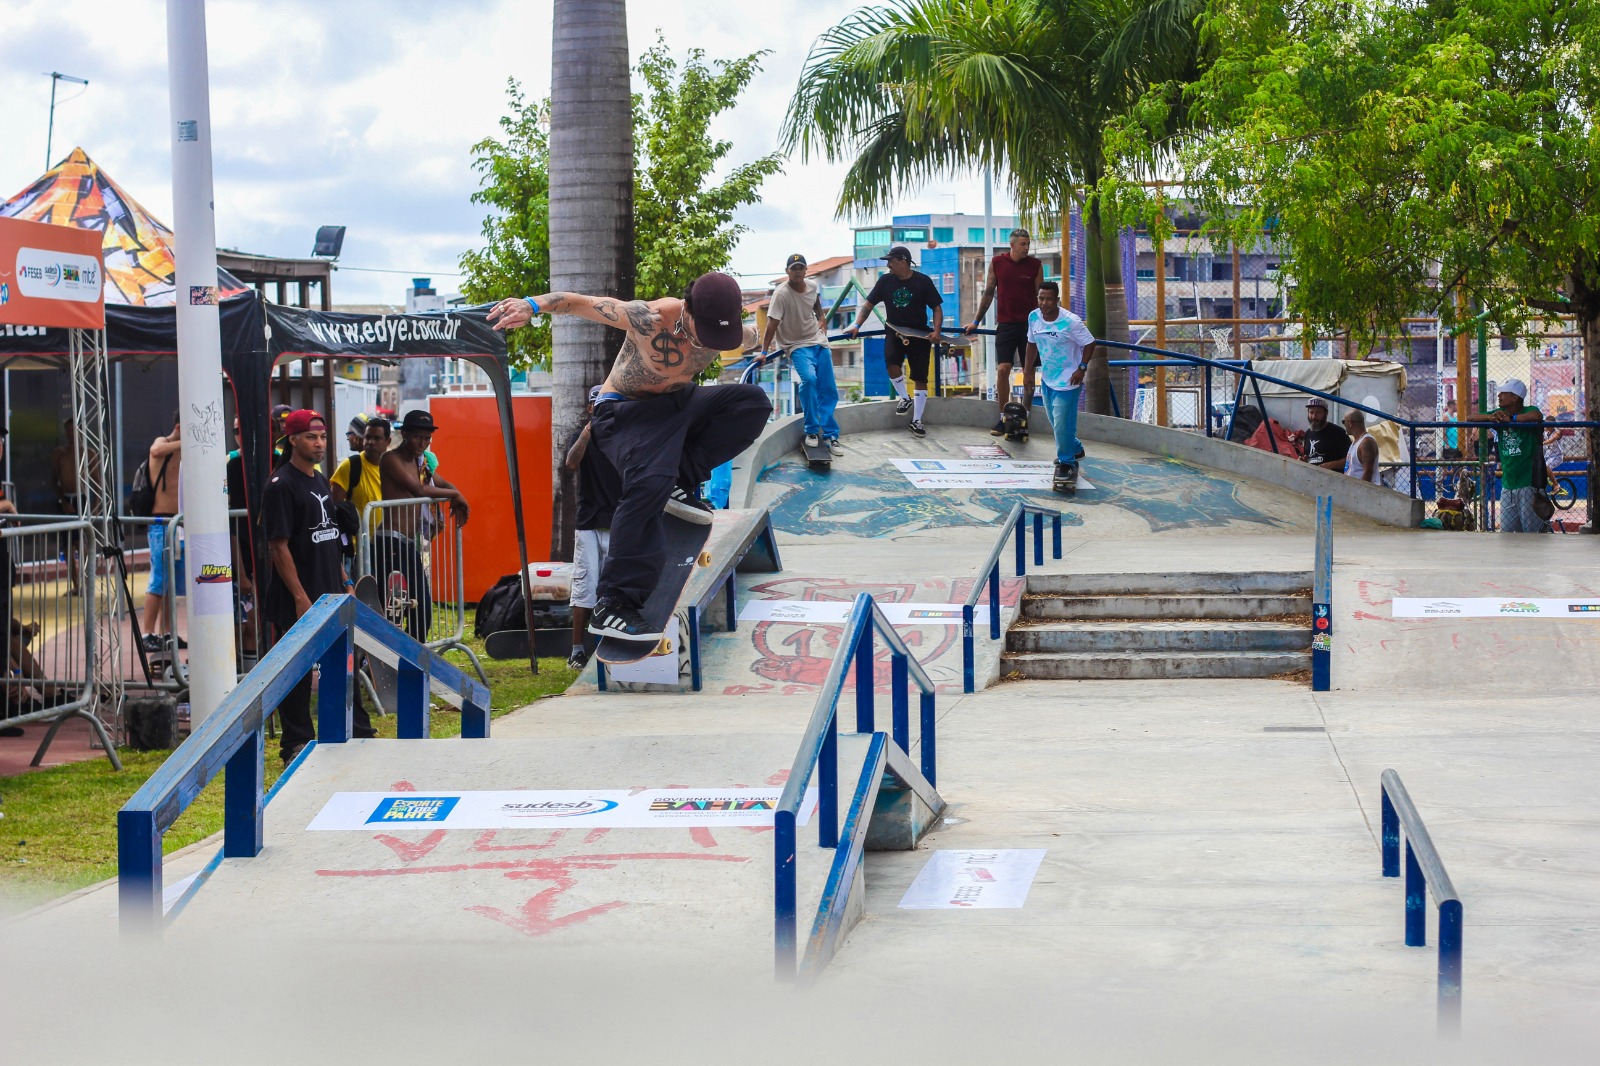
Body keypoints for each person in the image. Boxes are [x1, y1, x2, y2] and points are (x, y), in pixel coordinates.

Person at [486, 271, 771, 641]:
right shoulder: (649, 316)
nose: (710, 344)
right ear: (687, 311)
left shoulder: (734, 333)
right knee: (648, 483)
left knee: (751, 403)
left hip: (676, 405)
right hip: (623, 412)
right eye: (706, 333)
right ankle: (613, 603)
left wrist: (779, 337)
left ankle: (681, 478)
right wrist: (532, 305)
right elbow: (578, 303)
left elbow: (755, 337)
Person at [261, 410, 374, 763]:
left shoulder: (321, 480)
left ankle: (356, 728)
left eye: (323, 436)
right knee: (297, 670)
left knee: (344, 662)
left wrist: (346, 581)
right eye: (312, 437)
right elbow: (278, 546)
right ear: (292, 439)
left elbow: (331, 541)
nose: (320, 443)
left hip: (332, 592)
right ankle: (295, 740)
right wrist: (299, 597)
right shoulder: (281, 485)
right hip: (299, 596)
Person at [846, 246, 944, 438]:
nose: (889, 265)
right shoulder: (885, 281)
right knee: (891, 364)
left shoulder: (922, 281)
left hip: (919, 334)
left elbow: (937, 308)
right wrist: (857, 325)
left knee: (920, 378)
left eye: (891, 261)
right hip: (894, 331)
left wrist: (937, 331)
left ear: (903, 260)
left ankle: (917, 420)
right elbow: (868, 305)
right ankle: (905, 398)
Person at [564, 385, 624, 669]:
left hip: (618, 523)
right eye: (597, 406)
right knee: (585, 586)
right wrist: (588, 431)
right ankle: (577, 650)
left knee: (614, 587)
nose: (602, 410)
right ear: (589, 409)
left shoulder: (623, 435)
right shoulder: (583, 437)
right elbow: (571, 462)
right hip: (589, 522)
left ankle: (610, 645)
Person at [761, 253, 841, 454]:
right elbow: (772, 325)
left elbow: (815, 302)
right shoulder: (781, 294)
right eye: (793, 268)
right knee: (809, 380)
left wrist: (821, 318)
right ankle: (812, 431)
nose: (797, 271)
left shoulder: (812, 286)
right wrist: (763, 352)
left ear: (806, 271)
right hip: (796, 345)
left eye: (800, 268)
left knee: (828, 388)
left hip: (818, 341)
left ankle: (831, 435)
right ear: (787, 271)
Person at [966, 228, 1043, 433]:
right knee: (1003, 370)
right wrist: (976, 321)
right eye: (1023, 244)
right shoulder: (998, 263)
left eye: (1028, 244)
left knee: (1029, 373)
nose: (1026, 247)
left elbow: (1042, 296)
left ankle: (1024, 416)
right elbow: (989, 293)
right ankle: (1004, 417)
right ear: (1012, 244)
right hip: (1006, 325)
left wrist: (1047, 323)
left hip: (1030, 327)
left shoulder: (1035, 265)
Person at [1024, 281, 1096, 484]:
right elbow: (1031, 344)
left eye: (1048, 299)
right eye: (1041, 298)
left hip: (1068, 381)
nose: (1044, 303)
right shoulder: (1034, 317)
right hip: (1048, 379)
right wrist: (1028, 371)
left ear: (1057, 300)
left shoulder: (1071, 321)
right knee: (1056, 423)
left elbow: (1090, 342)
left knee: (1063, 423)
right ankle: (1075, 447)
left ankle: (1067, 462)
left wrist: (1081, 368)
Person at [1466, 378, 1547, 533]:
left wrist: (1512, 419)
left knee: (1532, 534)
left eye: (1504, 393)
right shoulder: (1498, 414)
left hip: (1528, 484)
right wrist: (1490, 417)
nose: (1499, 396)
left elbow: (1536, 415)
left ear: (1515, 397)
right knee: (1507, 532)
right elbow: (1470, 417)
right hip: (1508, 484)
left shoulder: (1528, 410)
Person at [140, 413, 182, 654]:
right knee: (158, 579)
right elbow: (155, 451)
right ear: (179, 427)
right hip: (160, 523)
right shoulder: (163, 443)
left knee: (171, 582)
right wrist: (186, 440)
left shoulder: (184, 450)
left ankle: (167, 633)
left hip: (178, 523)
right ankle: (148, 632)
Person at [331, 415, 389, 535]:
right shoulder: (350, 465)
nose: (370, 442)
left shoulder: (394, 466)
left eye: (377, 438)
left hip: (387, 546)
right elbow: (332, 506)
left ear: (388, 441)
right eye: (367, 437)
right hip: (359, 549)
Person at [50, 418, 89, 594]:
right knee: (68, 546)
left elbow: (97, 483)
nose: (70, 434)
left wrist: (93, 509)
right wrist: (63, 502)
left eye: (73, 430)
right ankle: (75, 585)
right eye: (68, 430)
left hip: (82, 500)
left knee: (82, 544)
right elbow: (54, 481)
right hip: (66, 500)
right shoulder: (60, 454)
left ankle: (86, 583)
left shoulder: (88, 454)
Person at [1301, 398, 1351, 469]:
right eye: (1311, 412)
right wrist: (1303, 461)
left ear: (1326, 413)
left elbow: (1351, 459)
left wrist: (1331, 465)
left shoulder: (1338, 433)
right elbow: (1308, 458)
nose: (1314, 417)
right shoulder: (1308, 433)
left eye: (1318, 413)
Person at [1342, 411, 1379, 482]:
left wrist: (1361, 491)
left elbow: (1368, 472)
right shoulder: (1357, 441)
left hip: (1362, 491)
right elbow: (1351, 462)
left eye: (1344, 422)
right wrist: (1330, 465)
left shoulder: (1366, 442)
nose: (1344, 425)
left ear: (1350, 423)